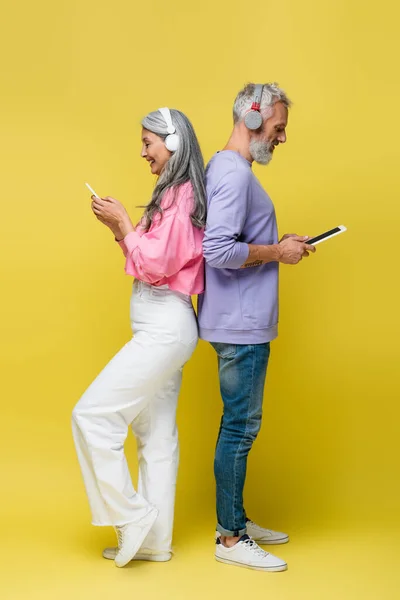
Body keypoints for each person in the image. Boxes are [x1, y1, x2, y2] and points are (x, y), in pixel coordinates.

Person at [72, 107, 206, 567]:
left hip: (164, 327)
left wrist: (125, 227)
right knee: (157, 437)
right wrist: (120, 230)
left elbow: (155, 266)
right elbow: (149, 257)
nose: (143, 151)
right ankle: (155, 542)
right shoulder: (172, 193)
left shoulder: (181, 197)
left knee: (92, 415)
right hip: (163, 325)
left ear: (172, 141)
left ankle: (131, 516)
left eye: (148, 142)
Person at [197, 83, 316, 571]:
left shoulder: (227, 168)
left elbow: (237, 238)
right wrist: (278, 253)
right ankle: (230, 538)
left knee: (237, 425)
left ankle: (235, 517)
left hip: (238, 319)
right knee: (240, 429)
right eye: (279, 126)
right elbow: (218, 250)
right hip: (240, 324)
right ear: (252, 118)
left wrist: (276, 241)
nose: (282, 137)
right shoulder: (235, 174)